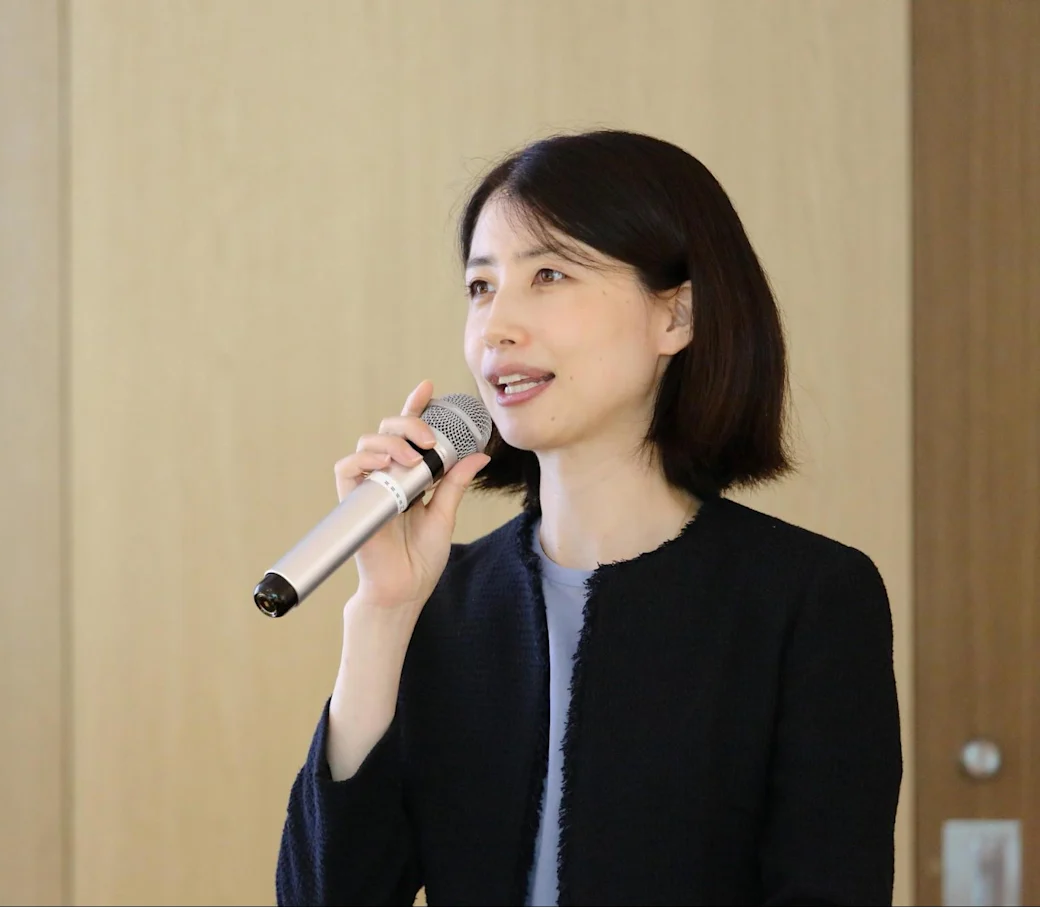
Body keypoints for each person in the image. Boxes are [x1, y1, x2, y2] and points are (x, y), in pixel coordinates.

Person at [274, 129, 903, 906]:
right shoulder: (440, 603)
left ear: (676, 316)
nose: (496, 326)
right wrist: (382, 614)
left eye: (549, 274)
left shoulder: (808, 599)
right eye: (480, 286)